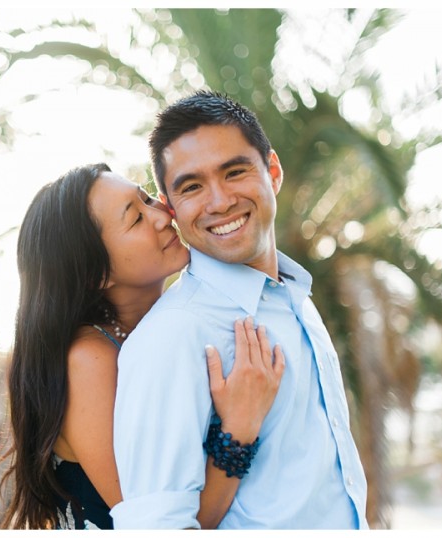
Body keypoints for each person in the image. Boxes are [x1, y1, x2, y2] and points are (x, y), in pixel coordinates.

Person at [111, 91, 368, 529]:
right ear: (170, 206)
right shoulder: (172, 336)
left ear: (273, 171)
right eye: (192, 186)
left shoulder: (296, 300)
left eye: (234, 172)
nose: (220, 201)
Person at [0, 163, 285, 529]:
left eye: (148, 197)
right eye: (136, 219)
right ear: (95, 273)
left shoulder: (172, 327)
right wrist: (241, 425)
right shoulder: (89, 360)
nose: (163, 216)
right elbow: (162, 523)